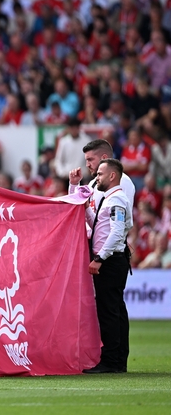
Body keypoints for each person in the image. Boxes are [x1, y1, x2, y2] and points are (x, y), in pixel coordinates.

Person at [83, 159, 133, 374]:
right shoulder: (111, 199)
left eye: (101, 174)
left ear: (112, 176)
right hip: (112, 260)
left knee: (108, 311)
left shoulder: (117, 199)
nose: (97, 178)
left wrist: (100, 258)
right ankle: (118, 360)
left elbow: (116, 232)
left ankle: (111, 361)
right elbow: (98, 225)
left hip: (111, 262)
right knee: (113, 310)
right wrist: (86, 209)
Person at [69, 139, 136, 213]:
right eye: (86, 160)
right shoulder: (92, 183)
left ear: (104, 158)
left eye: (90, 159)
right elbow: (76, 210)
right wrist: (74, 184)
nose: (87, 165)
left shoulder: (122, 180)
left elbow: (124, 219)